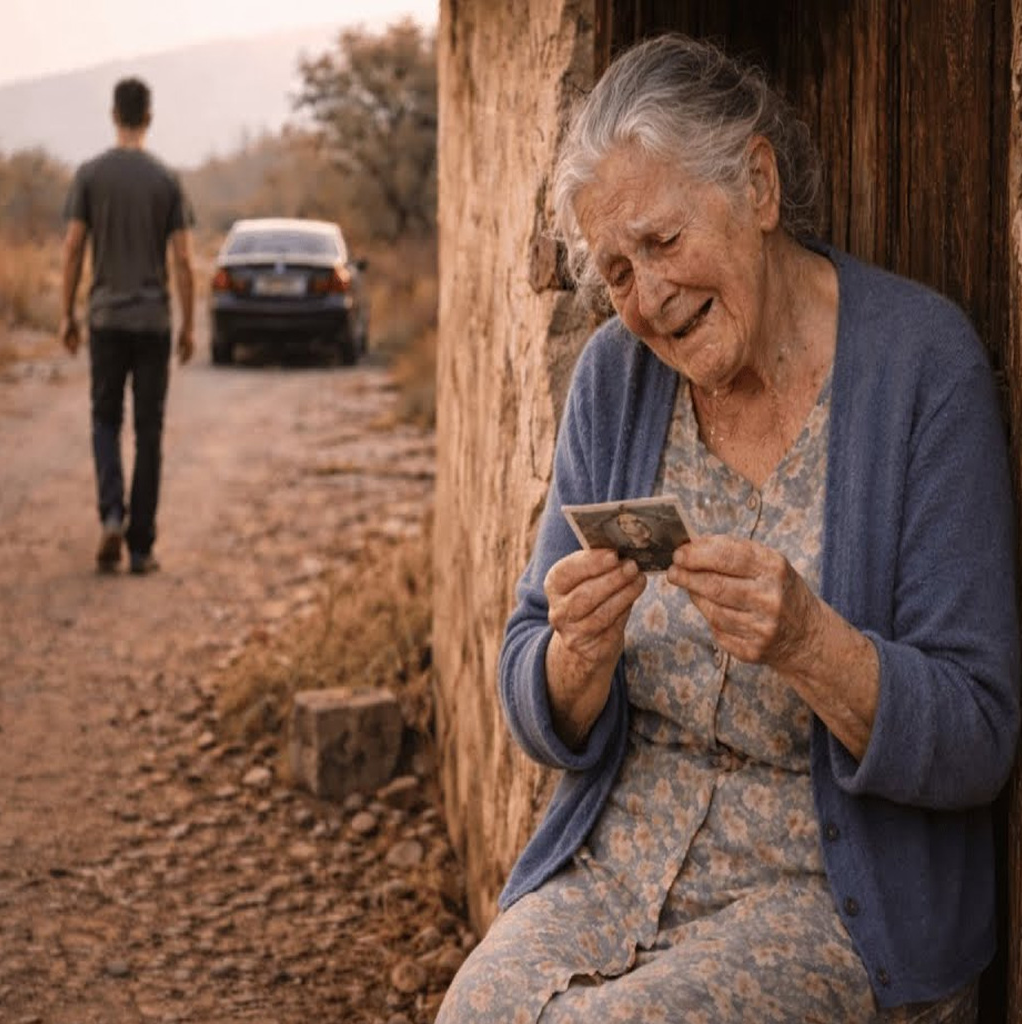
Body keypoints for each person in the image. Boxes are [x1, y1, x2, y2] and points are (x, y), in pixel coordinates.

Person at [436, 34, 1020, 1024]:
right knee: (475, 1010)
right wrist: (574, 655)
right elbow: (527, 677)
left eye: (663, 243)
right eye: (616, 271)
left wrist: (807, 642)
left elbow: (977, 735)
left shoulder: (923, 368)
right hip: (618, 865)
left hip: (824, 897)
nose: (649, 299)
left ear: (756, 185)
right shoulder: (615, 381)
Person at [59, 76, 195, 574]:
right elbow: (183, 260)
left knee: (104, 421)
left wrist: (67, 314)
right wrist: (187, 325)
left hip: (107, 320)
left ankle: (111, 513)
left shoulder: (91, 175)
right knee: (150, 430)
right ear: (149, 118)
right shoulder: (166, 180)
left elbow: (73, 246)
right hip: (154, 322)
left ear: (114, 116)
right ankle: (140, 547)